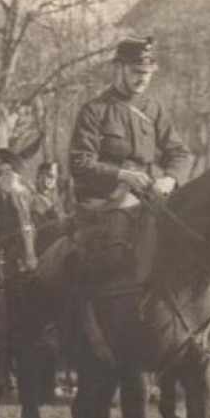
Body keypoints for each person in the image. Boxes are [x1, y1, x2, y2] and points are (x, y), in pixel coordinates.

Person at [65, 35, 191, 357]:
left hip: (149, 198)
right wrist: (120, 174)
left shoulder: (154, 109)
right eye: (136, 70)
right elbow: (80, 162)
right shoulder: (95, 110)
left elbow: (179, 153)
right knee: (104, 255)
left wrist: (169, 179)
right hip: (103, 202)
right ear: (118, 69)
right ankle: (89, 326)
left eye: (147, 73)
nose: (141, 78)